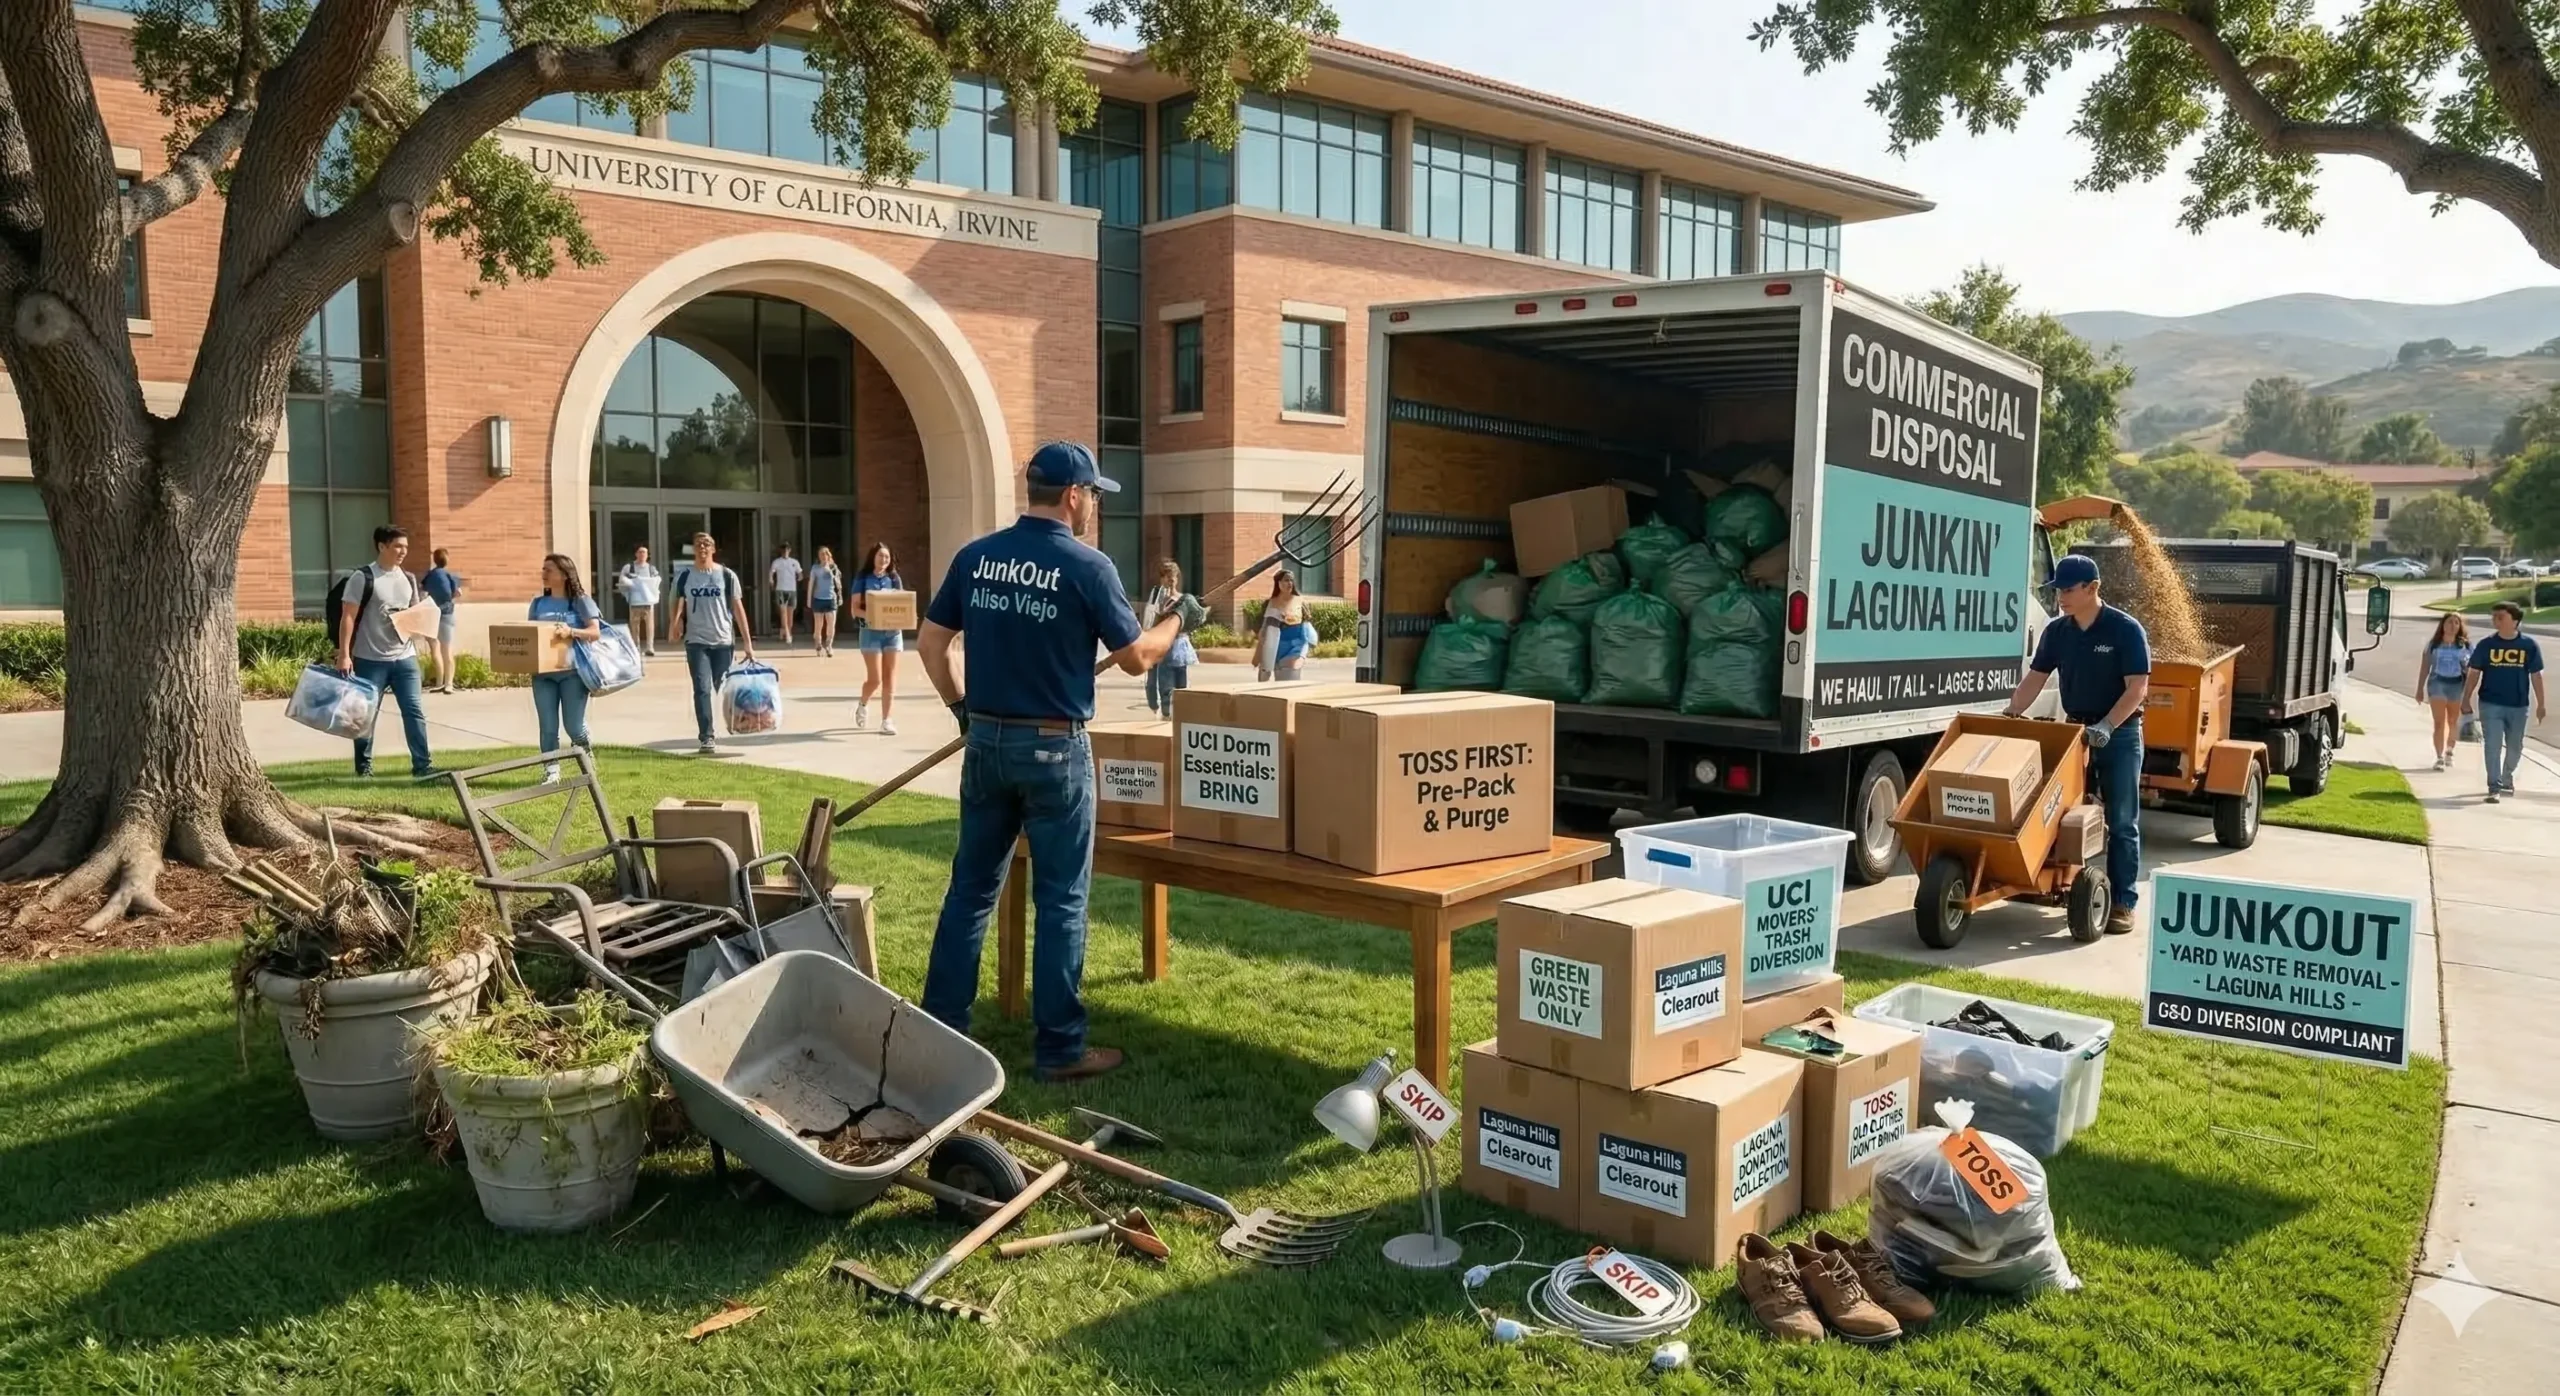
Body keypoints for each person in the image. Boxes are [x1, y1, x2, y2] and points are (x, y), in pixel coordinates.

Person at [918, 442, 1193, 1082]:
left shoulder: (976, 557)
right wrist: (1179, 620)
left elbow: (932, 643)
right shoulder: (1088, 566)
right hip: (1054, 750)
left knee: (970, 892)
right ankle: (1060, 1049)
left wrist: (963, 712)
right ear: (1073, 496)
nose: (1094, 504)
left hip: (987, 743)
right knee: (1062, 902)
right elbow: (1137, 658)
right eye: (1093, 493)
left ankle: (939, 1032)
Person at [2001, 553, 2151, 934]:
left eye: (2068, 591)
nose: (2061, 598)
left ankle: (2122, 903)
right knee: (2061, 813)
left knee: (2122, 821)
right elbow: (2035, 679)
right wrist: (2013, 711)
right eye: (2058, 591)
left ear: (2092, 588)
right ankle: (2067, 887)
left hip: (2119, 734)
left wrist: (2107, 725)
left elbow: (2137, 688)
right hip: (2075, 732)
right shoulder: (2057, 632)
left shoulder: (2125, 630)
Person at [332, 524, 436, 780]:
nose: (403, 551)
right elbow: (348, 616)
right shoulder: (363, 578)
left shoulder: (408, 579)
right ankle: (364, 767)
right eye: (397, 546)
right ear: (382, 546)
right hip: (370, 659)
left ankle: (423, 767)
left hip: (405, 658)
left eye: (405, 547)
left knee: (414, 711)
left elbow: (413, 615)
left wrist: (424, 622)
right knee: (365, 716)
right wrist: (344, 655)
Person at [669, 532, 757, 755]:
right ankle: (706, 736)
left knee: (727, 689)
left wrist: (747, 643)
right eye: (699, 544)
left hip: (723, 641)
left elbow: (738, 609)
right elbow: (676, 601)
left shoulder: (726, 576)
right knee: (702, 689)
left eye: (707, 544)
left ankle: (742, 724)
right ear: (694, 549)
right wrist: (675, 623)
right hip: (696, 642)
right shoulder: (684, 576)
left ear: (713, 549)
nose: (702, 548)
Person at [528, 553, 603, 784]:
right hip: (543, 675)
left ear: (563, 574)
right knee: (548, 727)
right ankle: (552, 771)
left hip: (573, 674)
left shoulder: (581, 601)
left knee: (574, 727)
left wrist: (571, 632)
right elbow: (530, 635)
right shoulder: (538, 604)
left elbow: (595, 632)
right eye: (543, 569)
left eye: (548, 570)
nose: (543, 573)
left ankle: (585, 749)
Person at [2465, 600, 2547, 802]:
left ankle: (2507, 778)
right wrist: (2466, 698)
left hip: (2518, 705)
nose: (2495, 620)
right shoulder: (2486, 645)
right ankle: (2494, 786)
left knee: (2515, 746)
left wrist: (2541, 704)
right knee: (2492, 745)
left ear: (2515, 620)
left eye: (2500, 617)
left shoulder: (2528, 645)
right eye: (2494, 617)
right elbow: (2474, 673)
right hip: (2490, 703)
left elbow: (2536, 675)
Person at [850, 542, 906, 735]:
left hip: (892, 633)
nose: (884, 560)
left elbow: (902, 604)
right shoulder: (863, 578)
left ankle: (886, 720)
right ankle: (863, 703)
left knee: (890, 677)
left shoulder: (894, 578)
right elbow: (855, 608)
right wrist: (874, 616)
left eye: (887, 557)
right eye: (881, 556)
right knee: (875, 679)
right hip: (870, 632)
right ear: (873, 557)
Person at [2416, 612, 2474, 771]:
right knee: (2439, 722)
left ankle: (2449, 750)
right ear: (2443, 625)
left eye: (2456, 623)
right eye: (2449, 622)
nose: (2452, 626)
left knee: (2453, 720)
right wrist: (2420, 689)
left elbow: (2473, 669)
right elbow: (2425, 667)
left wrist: (2469, 692)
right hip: (2437, 683)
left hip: (2456, 684)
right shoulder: (2433, 645)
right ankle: (2439, 756)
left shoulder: (2465, 646)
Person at [1141, 557, 1197, 715]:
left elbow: (1190, 621)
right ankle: (1162, 711)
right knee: (1158, 683)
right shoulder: (1157, 597)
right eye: (1167, 576)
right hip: (1160, 644)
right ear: (1162, 578)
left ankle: (1179, 714)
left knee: (1180, 684)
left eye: (1174, 576)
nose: (1171, 580)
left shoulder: (1183, 599)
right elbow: (1150, 619)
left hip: (1178, 647)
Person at [420, 548, 463, 694]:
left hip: (432, 613)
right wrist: (449, 599)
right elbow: (458, 593)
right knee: (447, 649)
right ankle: (448, 684)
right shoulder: (451, 576)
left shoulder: (430, 575)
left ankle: (439, 681)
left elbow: (423, 592)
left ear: (434, 559)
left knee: (434, 648)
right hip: (447, 613)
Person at [1254, 569, 1310, 681]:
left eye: (1291, 580)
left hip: (1293, 647)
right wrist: (1260, 651)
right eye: (1286, 580)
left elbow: (1306, 627)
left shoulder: (1301, 602)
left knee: (1289, 682)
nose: (1289, 583)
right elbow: (1263, 627)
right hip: (1272, 646)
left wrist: (1303, 653)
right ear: (1278, 583)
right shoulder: (1269, 603)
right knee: (1266, 683)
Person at [616, 545, 661, 657]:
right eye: (640, 552)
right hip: (635, 602)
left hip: (648, 602)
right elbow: (622, 580)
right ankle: (636, 647)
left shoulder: (651, 569)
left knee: (649, 626)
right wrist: (630, 585)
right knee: (634, 626)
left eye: (644, 552)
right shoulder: (629, 567)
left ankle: (649, 647)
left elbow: (657, 581)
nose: (642, 555)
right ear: (636, 554)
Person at [807, 544, 845, 658]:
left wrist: (840, 597)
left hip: (831, 599)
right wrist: (809, 599)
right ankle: (818, 645)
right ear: (818, 556)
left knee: (831, 624)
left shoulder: (833, 568)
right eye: (821, 554)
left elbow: (838, 584)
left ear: (829, 555)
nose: (824, 556)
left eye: (825, 554)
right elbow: (811, 584)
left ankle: (829, 645)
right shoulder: (815, 568)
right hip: (818, 599)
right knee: (818, 625)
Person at [770, 542, 802, 648]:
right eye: (783, 549)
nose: (785, 551)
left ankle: (786, 630)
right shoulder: (777, 562)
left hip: (792, 589)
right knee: (783, 611)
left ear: (789, 550)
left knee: (790, 613)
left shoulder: (794, 562)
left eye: (787, 549)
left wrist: (800, 577)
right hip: (781, 589)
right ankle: (787, 633)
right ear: (781, 551)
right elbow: (772, 572)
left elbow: (800, 573)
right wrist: (771, 580)